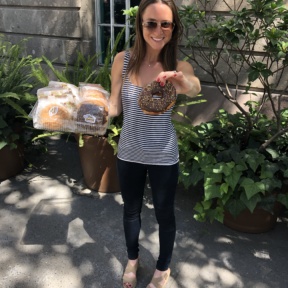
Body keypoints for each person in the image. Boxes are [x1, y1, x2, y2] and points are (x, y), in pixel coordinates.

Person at [109, 0, 201, 287]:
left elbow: (194, 86)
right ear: (140, 25)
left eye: (165, 24)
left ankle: (163, 269)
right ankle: (133, 260)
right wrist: (82, 109)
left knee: (164, 212)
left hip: (163, 154)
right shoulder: (122, 61)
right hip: (129, 151)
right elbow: (114, 107)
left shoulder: (178, 65)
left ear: (173, 29)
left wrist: (180, 80)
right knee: (131, 210)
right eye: (151, 23)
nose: (158, 30)